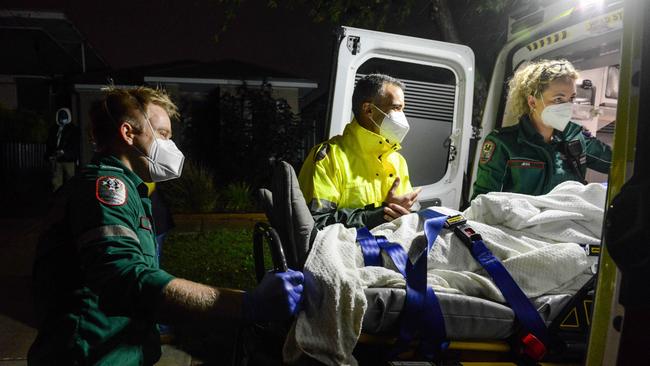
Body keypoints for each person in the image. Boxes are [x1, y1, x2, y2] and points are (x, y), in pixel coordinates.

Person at [28, 86, 304, 365]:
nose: (170, 146)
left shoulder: (126, 190)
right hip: (91, 357)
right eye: (163, 134)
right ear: (128, 133)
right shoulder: (106, 189)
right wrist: (247, 304)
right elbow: (128, 280)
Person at [472, 59, 612, 199]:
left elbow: (618, 163)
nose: (568, 106)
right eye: (558, 99)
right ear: (532, 101)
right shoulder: (503, 143)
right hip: (521, 220)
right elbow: (483, 201)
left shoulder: (576, 137)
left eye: (572, 98)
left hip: (566, 219)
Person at [298, 73, 420, 229]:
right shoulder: (328, 157)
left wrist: (409, 209)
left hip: (390, 249)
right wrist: (381, 213)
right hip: (349, 251)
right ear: (368, 109)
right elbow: (317, 223)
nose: (401, 116)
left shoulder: (398, 161)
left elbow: (405, 214)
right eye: (396, 108)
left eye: (402, 109)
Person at [45, 107, 80, 192]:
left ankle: (70, 197)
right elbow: (50, 143)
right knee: (56, 181)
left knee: (70, 179)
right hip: (57, 159)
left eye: (64, 117)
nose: (62, 119)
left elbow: (75, 144)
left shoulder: (73, 129)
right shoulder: (54, 129)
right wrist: (50, 154)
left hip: (69, 159)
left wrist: (65, 152)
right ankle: (57, 197)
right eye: (61, 117)